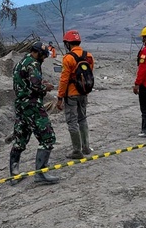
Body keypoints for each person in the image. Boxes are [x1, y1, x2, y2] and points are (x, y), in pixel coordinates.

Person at [10, 41, 59, 184]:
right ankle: (41, 173)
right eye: (43, 56)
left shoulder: (22, 62)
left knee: (20, 138)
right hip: (32, 106)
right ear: (36, 53)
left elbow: (25, 83)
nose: (43, 59)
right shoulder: (33, 64)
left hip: (21, 105)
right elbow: (35, 86)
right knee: (48, 137)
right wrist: (46, 88)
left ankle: (14, 174)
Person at [56, 30, 94, 159]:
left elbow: (64, 79)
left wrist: (60, 97)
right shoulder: (88, 56)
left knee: (72, 122)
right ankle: (86, 147)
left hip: (71, 94)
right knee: (82, 119)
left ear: (67, 43)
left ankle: (77, 151)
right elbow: (89, 74)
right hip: (84, 93)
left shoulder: (68, 58)